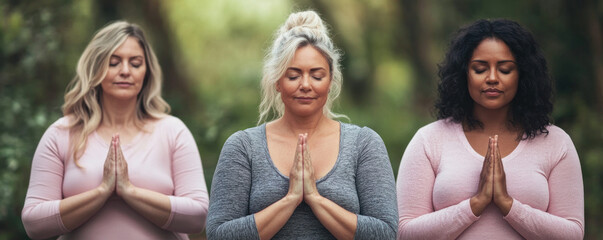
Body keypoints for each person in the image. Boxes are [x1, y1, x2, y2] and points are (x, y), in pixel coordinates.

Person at [206, 10, 398, 239]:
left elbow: (385, 232)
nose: (306, 85)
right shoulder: (243, 147)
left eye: (317, 76)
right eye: (293, 75)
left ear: (330, 81)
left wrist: (316, 198)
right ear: (277, 81)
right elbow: (219, 234)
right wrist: (290, 199)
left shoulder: (364, 144)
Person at [396, 19, 584, 239]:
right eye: (480, 69)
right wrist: (475, 204)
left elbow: (573, 234)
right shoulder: (429, 140)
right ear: (463, 73)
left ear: (523, 75)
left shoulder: (556, 142)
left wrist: (508, 205)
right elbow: (404, 232)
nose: (492, 78)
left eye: (504, 69)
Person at [21, 21, 209, 239]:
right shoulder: (61, 134)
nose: (126, 71)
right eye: (114, 63)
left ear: (146, 72)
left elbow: (198, 216)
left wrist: (129, 191)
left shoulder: (173, 131)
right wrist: (101, 192)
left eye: (136, 63)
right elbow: (34, 222)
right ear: (96, 68)